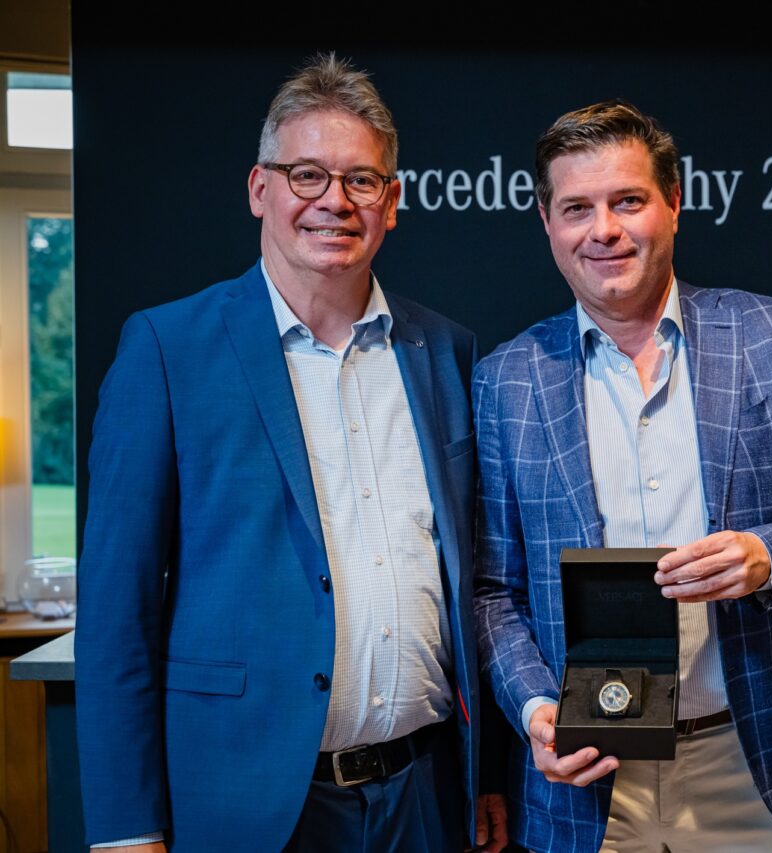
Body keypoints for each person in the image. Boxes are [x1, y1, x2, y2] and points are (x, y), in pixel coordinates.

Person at [74, 54, 506, 852]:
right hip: (252, 805)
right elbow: (115, 616)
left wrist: (488, 775)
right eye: (306, 174)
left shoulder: (446, 351)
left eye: (361, 180)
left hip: (426, 799)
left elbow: (472, 580)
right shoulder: (168, 350)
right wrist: (125, 829)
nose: (334, 201)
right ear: (259, 189)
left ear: (392, 203)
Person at [472, 99, 772, 853]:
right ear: (547, 223)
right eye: (577, 208)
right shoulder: (507, 379)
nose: (603, 229)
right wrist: (535, 708)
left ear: (673, 203)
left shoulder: (771, 335)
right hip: (588, 780)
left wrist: (769, 556)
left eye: (627, 201)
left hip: (756, 764)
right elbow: (493, 591)